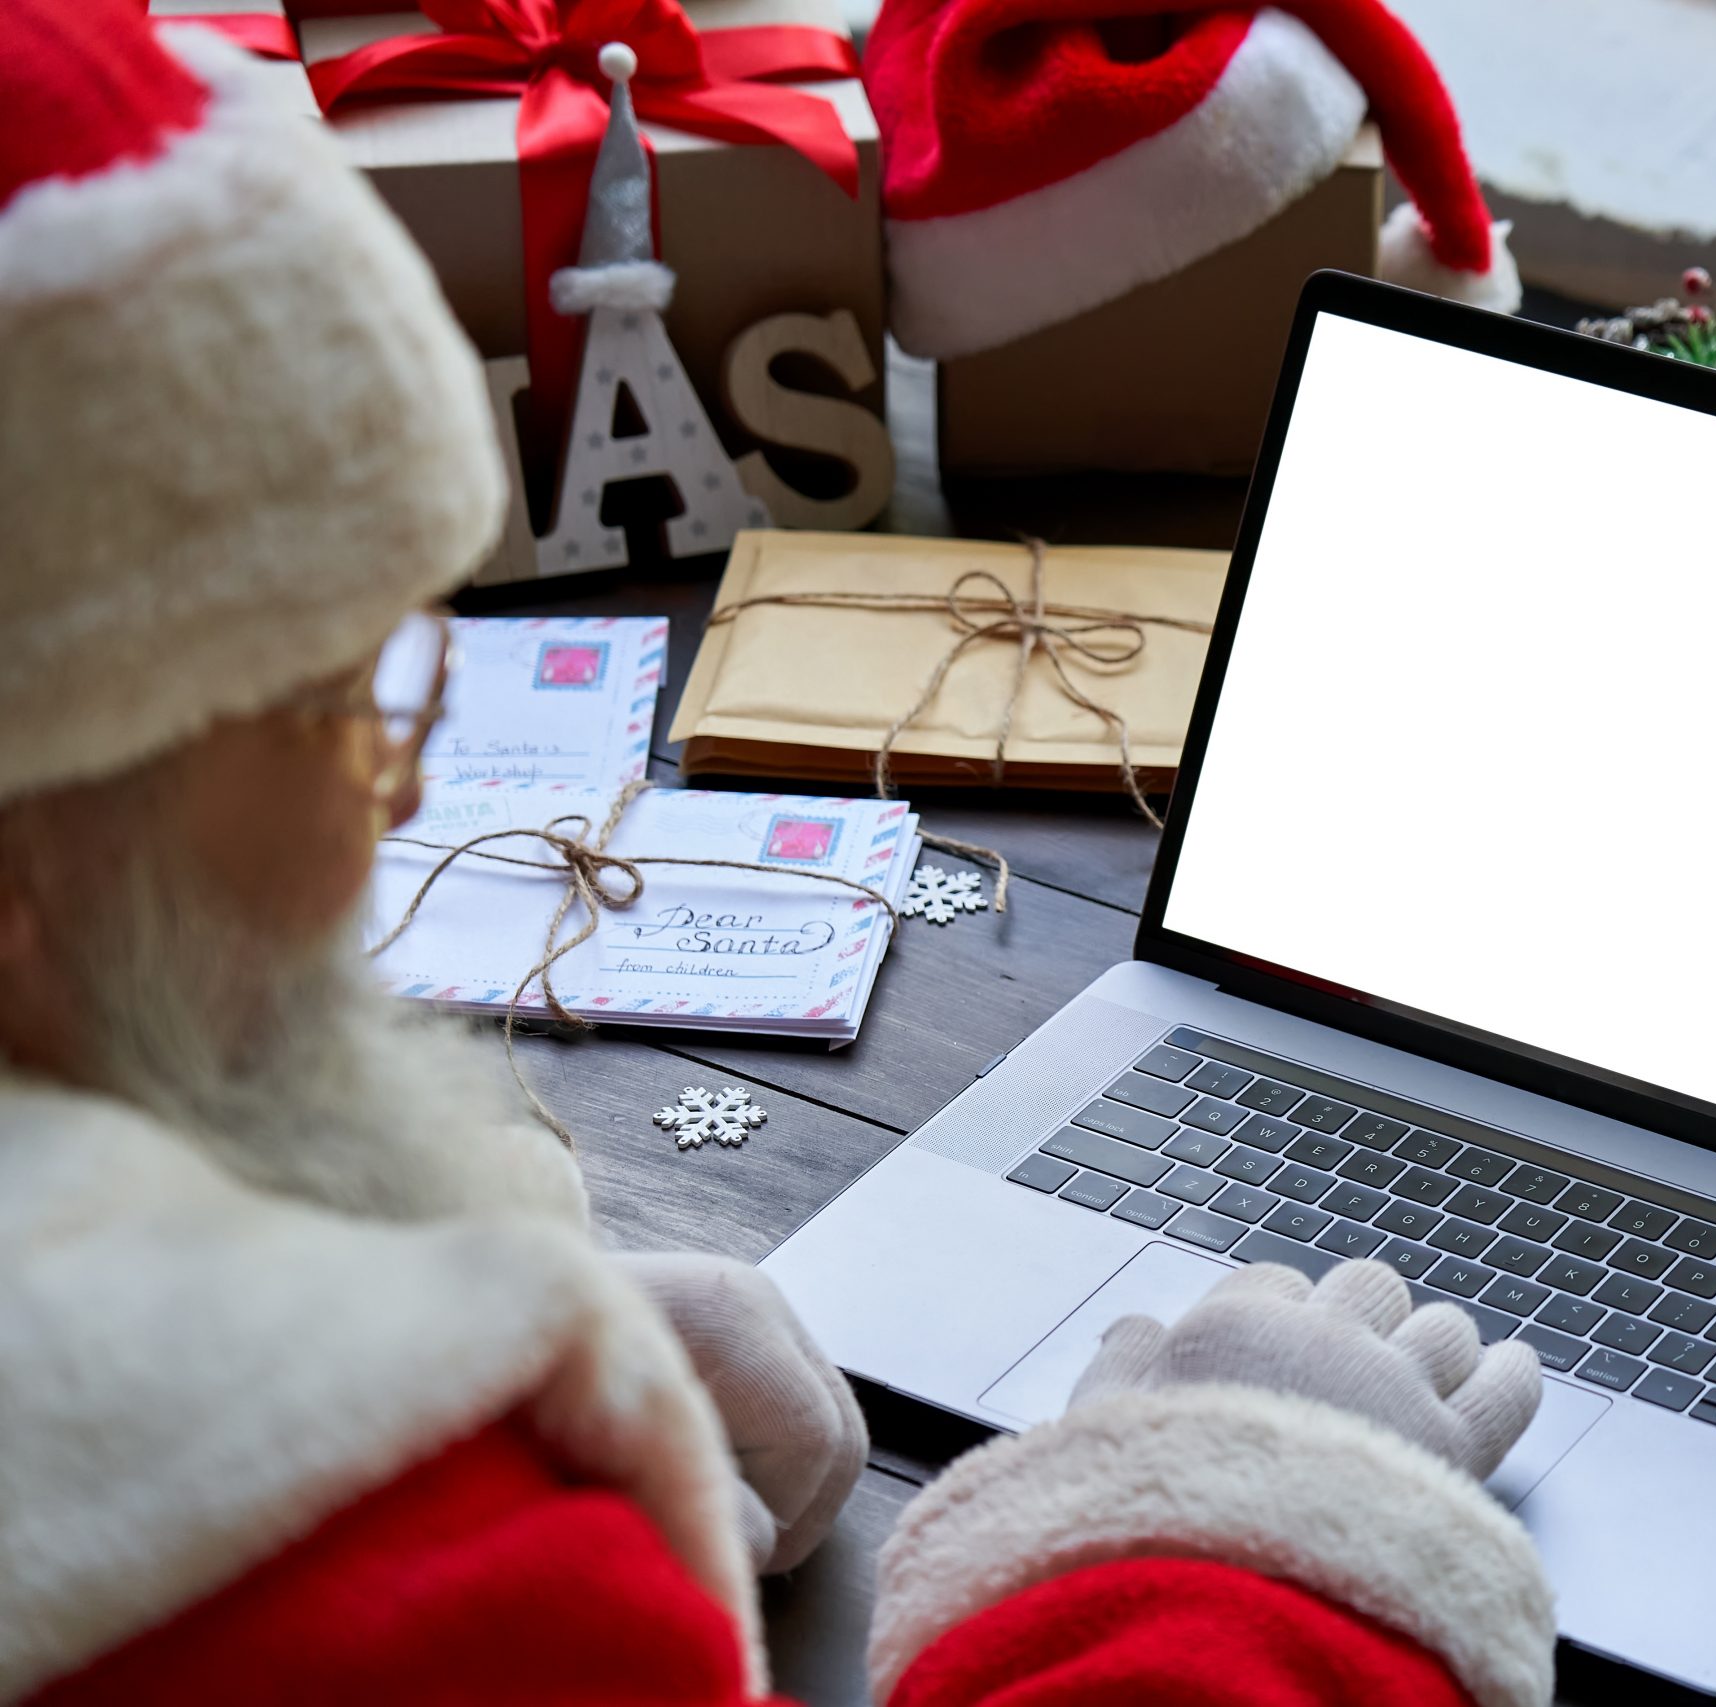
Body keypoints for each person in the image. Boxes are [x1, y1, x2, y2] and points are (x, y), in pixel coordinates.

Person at [0, 3, 1556, 1703]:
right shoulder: (457, 1603)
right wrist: (1238, 1550)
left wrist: (500, 1343)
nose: (401, 777)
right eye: (329, 696)